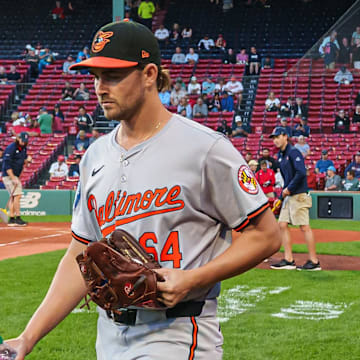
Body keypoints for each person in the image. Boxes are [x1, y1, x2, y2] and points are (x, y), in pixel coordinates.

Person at [5, 20, 281, 360]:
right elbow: (80, 254)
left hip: (177, 333)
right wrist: (27, 338)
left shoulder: (204, 149)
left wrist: (193, 279)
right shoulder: (94, 157)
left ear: (149, 74)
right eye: (95, 76)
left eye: (113, 76)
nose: (100, 87)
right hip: (110, 337)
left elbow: (266, 235)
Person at [269, 127, 321, 271]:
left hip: (298, 195)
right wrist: (281, 196)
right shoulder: (281, 155)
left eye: (277, 137)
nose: (275, 140)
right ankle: (288, 259)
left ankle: (314, 261)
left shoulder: (293, 152)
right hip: (289, 196)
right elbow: (288, 178)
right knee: (282, 224)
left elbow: (300, 173)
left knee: (304, 227)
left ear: (285, 136)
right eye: (273, 138)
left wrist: (288, 190)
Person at [1, 132, 31, 226]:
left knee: (14, 196)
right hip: (9, 175)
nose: (24, 142)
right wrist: (13, 177)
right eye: (22, 140)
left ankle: (12, 218)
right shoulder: (11, 148)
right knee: (17, 196)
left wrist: (27, 160)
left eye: (25, 141)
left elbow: (23, 160)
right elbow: (7, 164)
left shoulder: (23, 148)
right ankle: (17, 218)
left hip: (15, 175)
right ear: (18, 138)